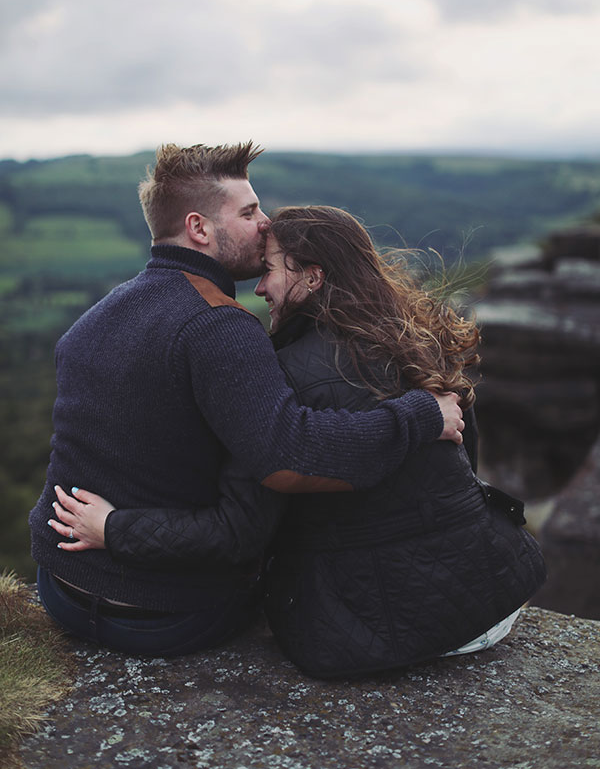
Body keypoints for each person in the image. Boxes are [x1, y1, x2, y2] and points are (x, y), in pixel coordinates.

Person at [49, 206, 546, 677]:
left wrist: (115, 528)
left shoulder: (281, 377)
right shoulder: (418, 340)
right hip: (490, 605)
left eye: (270, 269)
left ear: (313, 276)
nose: (260, 286)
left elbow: (242, 531)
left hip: (373, 632)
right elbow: (464, 465)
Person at [31, 143, 465, 658]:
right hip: (163, 616)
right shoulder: (219, 327)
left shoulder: (96, 316)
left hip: (61, 589)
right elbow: (289, 456)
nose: (265, 223)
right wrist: (420, 415)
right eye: (248, 211)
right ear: (199, 228)